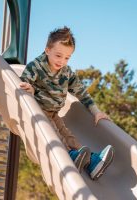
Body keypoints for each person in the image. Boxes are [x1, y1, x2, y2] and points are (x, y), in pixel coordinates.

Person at [19, 26, 114, 180]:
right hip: (38, 112)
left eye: (67, 57)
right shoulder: (36, 65)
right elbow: (24, 81)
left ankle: (91, 162)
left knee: (68, 135)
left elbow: (81, 92)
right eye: (58, 55)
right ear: (47, 50)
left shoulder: (66, 72)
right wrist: (28, 87)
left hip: (54, 113)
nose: (62, 61)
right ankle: (69, 156)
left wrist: (96, 111)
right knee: (55, 135)